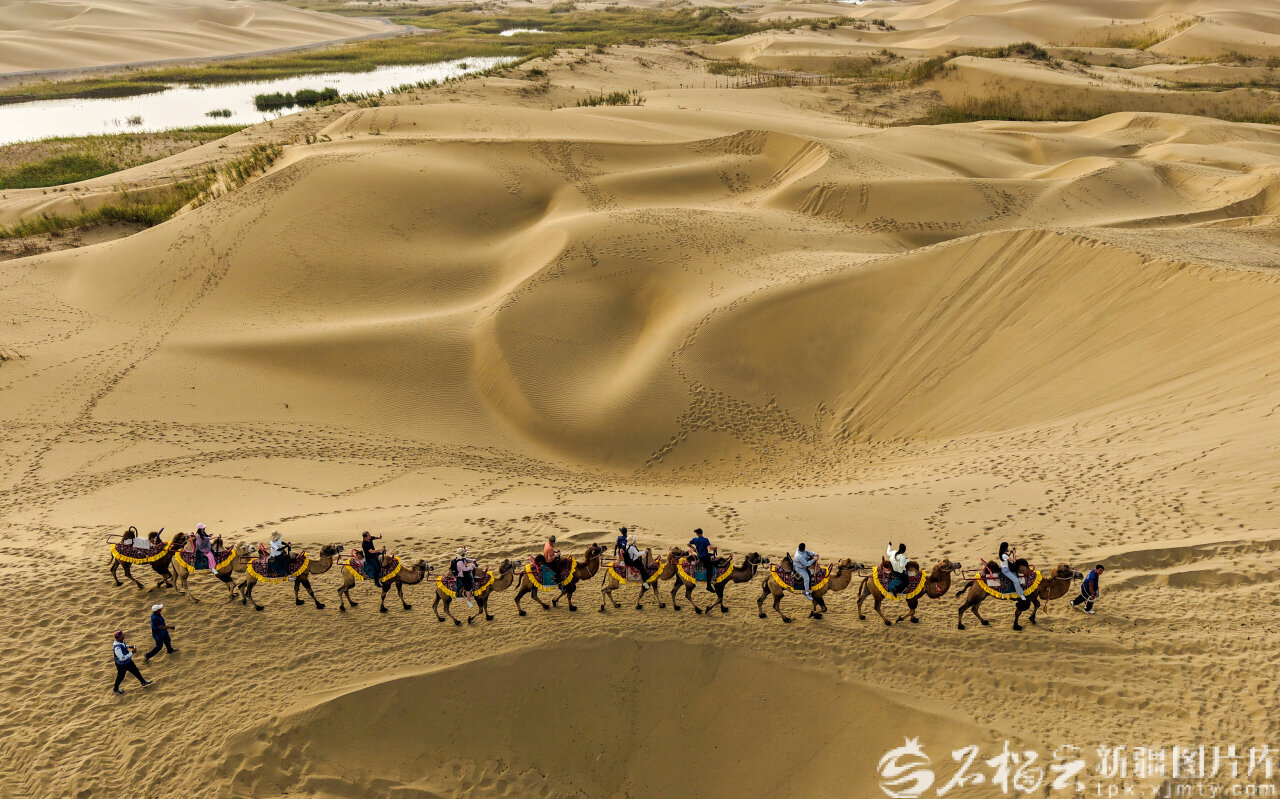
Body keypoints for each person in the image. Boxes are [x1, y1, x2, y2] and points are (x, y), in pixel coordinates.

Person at [112, 630, 151, 694]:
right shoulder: (117, 648)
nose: (123, 636)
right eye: (122, 636)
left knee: (136, 671)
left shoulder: (121, 641)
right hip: (121, 665)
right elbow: (122, 658)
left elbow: (124, 645)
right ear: (118, 638)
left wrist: (130, 646)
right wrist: (131, 653)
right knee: (121, 677)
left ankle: (143, 682)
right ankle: (115, 689)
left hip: (128, 661)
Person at [688, 528, 717, 593]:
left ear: (697, 534)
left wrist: (693, 548)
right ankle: (708, 586)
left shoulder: (695, 539)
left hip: (699, 556)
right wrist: (715, 547)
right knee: (709, 569)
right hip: (704, 557)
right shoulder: (705, 539)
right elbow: (710, 548)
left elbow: (688, 544)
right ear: (702, 533)